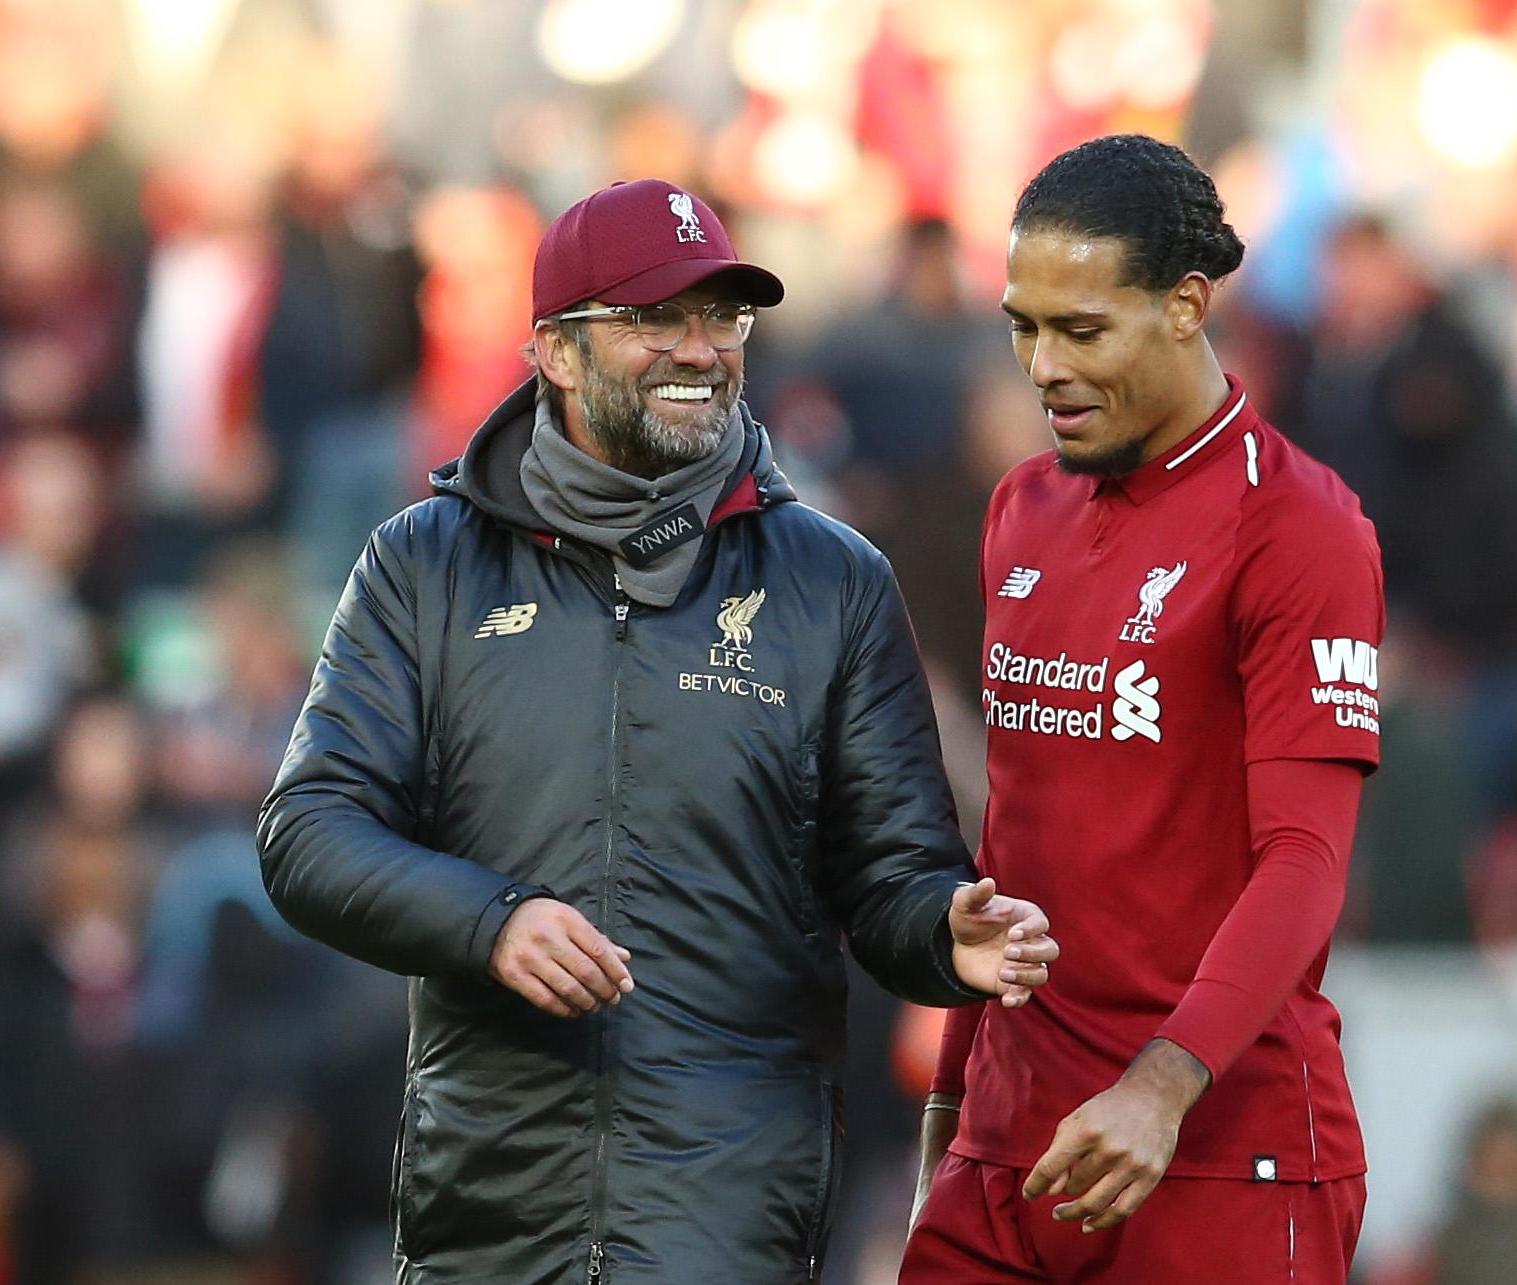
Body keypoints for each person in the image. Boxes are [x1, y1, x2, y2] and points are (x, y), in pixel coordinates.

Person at [257, 178, 1059, 1284]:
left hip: (726, 1217)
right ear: (556, 351)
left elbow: (893, 874)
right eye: (655, 318)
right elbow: (307, 830)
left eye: (723, 316)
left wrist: (942, 931)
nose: (701, 349)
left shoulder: (834, 580)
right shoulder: (422, 564)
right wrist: (489, 921)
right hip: (486, 1219)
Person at [901, 135, 1383, 1282]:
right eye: (1023, 325)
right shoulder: (1021, 509)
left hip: (1214, 1147)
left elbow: (1307, 860)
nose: (1043, 367)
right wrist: (950, 1106)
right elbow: (1011, 841)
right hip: (1010, 1148)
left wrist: (1164, 1084)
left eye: (1082, 330)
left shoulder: (1300, 530)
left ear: (1186, 303)